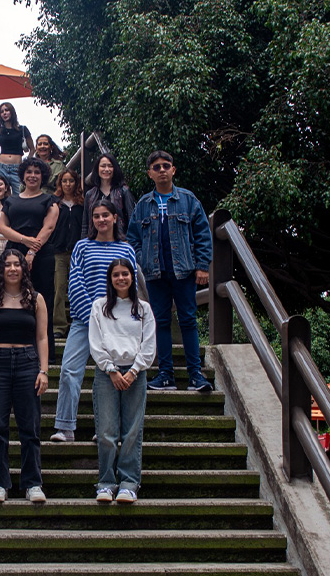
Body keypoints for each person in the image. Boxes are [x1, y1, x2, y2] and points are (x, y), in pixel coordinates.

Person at [50, 200, 136, 442]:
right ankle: (65, 427)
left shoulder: (126, 249)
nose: (101, 220)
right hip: (83, 321)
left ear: (115, 218)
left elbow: (132, 286)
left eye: (106, 215)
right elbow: (75, 282)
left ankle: (106, 429)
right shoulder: (82, 247)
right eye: (97, 216)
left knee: (111, 375)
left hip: (116, 322)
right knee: (69, 370)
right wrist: (93, 314)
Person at [127, 151, 213, 392]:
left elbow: (203, 235)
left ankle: (195, 375)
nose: (162, 170)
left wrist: (202, 266)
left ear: (173, 170)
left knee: (188, 320)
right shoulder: (143, 205)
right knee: (160, 322)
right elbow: (132, 238)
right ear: (150, 173)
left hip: (184, 271)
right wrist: (143, 260)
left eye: (166, 166)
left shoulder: (188, 200)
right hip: (155, 274)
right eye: (157, 167)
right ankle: (166, 375)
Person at [0, 249, 50, 504]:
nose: (12, 269)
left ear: (24, 268)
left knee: (30, 427)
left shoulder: (36, 299)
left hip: (28, 363)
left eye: (17, 264)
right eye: (7, 265)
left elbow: (42, 337)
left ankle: (32, 483)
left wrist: (44, 370)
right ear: (0, 269)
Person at [89, 258, 156, 503]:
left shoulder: (144, 309)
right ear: (110, 278)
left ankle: (129, 483)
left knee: (132, 431)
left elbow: (148, 345)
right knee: (106, 431)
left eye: (125, 274)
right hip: (107, 374)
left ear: (132, 277)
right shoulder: (100, 306)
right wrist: (111, 370)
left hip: (135, 374)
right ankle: (106, 483)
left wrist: (134, 370)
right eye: (116, 274)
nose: (121, 278)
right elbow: (95, 342)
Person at [0, 157, 60, 361]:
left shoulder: (49, 200)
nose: (33, 175)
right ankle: (17, 346)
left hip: (41, 255)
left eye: (37, 172)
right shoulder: (11, 200)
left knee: (42, 301)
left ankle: (46, 353)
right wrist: (25, 241)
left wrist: (32, 251)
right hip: (14, 252)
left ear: (42, 176)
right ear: (23, 175)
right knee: (13, 298)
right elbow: (3, 227)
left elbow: (49, 227)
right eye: (29, 171)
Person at [51, 169, 84, 337]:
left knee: (79, 288)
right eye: (64, 181)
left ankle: (79, 322)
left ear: (76, 183)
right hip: (59, 251)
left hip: (78, 252)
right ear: (60, 183)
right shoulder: (55, 203)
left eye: (71, 181)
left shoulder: (82, 203)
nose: (68, 184)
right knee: (59, 288)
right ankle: (59, 326)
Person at [81, 153, 136, 238]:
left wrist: (130, 242)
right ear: (97, 169)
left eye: (110, 166)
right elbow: (85, 224)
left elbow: (132, 219)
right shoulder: (90, 194)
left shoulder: (124, 191)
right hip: (95, 242)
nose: (106, 169)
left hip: (119, 241)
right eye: (103, 166)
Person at [0, 102, 35, 194]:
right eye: (2, 111)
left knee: (19, 193)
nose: (4, 113)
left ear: (12, 112)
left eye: (7, 110)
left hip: (17, 167)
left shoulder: (22, 129)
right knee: (1, 194)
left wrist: (26, 162)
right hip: (2, 167)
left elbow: (32, 149)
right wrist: (0, 160)